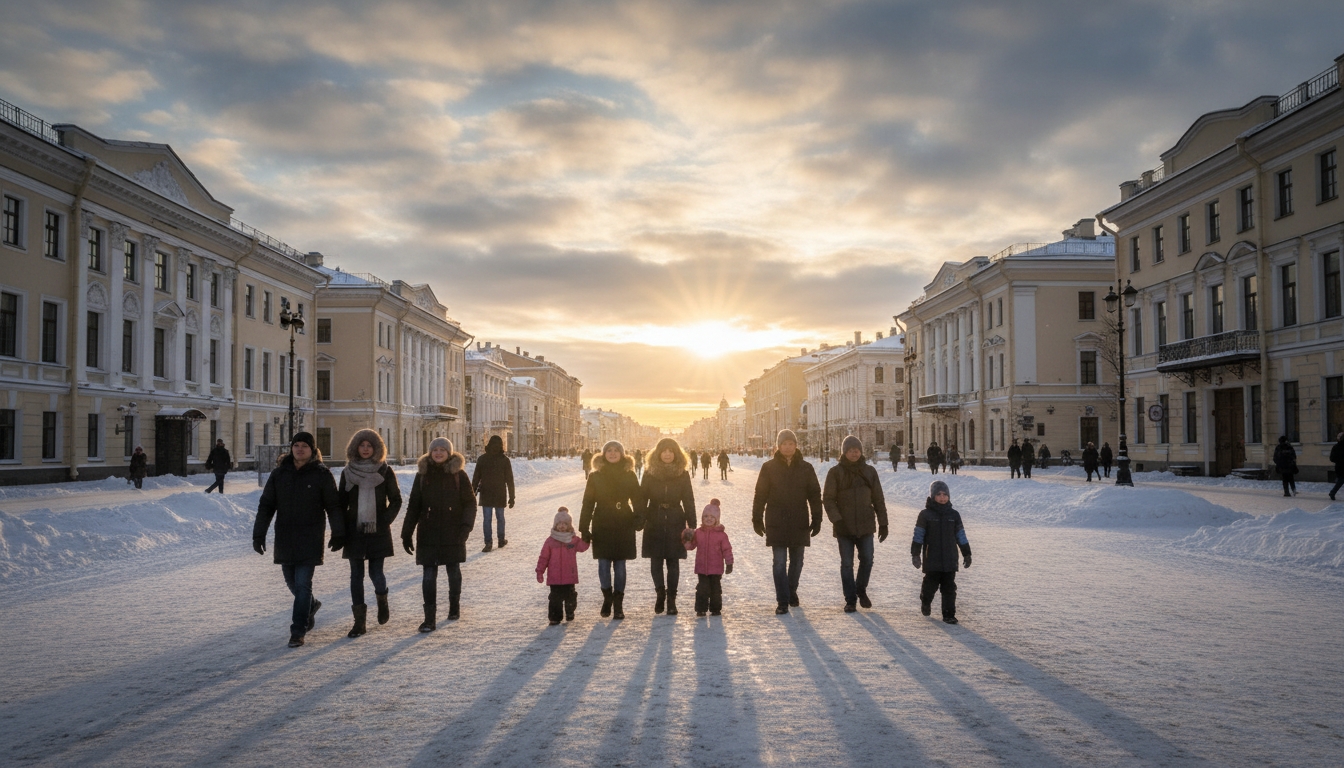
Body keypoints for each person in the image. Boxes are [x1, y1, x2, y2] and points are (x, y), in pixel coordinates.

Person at [253, 432, 343, 648]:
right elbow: (266, 505)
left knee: (303, 584)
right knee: (292, 583)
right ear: (291, 448)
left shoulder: (321, 474)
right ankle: (311, 605)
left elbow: (333, 506)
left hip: (310, 537)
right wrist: (259, 534)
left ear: (312, 450)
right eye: (296, 445)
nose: (300, 449)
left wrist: (338, 532)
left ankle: (298, 631)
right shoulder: (279, 474)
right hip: (285, 537)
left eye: (305, 446)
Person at [402, 437, 476, 632]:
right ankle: (429, 619)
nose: (439, 453)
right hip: (428, 531)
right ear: (430, 452)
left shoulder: (458, 474)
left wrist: (466, 527)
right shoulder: (422, 474)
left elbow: (470, 502)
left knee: (453, 571)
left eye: (443, 449)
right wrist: (406, 533)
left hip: (454, 531)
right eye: (435, 449)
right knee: (428, 575)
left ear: (449, 453)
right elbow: (414, 505)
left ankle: (454, 606)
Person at [337, 429, 403, 638]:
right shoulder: (347, 472)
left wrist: (384, 520)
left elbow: (396, 500)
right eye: (362, 445)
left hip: (378, 531)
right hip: (354, 531)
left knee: (376, 573)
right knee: (356, 575)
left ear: (376, 449)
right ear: (355, 447)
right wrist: (341, 528)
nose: (365, 449)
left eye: (369, 446)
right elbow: (340, 503)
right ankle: (359, 622)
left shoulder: (384, 471)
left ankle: (382, 600)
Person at [751, 429, 823, 615]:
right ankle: (782, 600)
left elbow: (815, 495)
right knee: (779, 562)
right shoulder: (769, 468)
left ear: (796, 445)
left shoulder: (806, 468)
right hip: (777, 520)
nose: (788, 447)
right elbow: (760, 495)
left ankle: (791, 590)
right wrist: (757, 518)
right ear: (779, 446)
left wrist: (817, 518)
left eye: (791, 443)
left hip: (799, 520)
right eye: (784, 444)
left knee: (797, 561)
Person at [822, 435, 888, 613]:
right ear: (844, 452)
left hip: (866, 525)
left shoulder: (869, 472)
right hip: (844, 526)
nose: (854, 453)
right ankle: (850, 599)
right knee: (847, 563)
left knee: (867, 559)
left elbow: (878, 498)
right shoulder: (835, 473)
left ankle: (861, 588)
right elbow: (828, 499)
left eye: (857, 450)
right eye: (851, 450)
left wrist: (883, 523)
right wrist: (837, 521)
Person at [580, 440, 642, 620]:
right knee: (603, 564)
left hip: (624, 522)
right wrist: (584, 526)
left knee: (621, 564)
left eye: (616, 450)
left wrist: (639, 518)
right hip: (602, 522)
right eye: (609, 450)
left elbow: (637, 498)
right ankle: (607, 598)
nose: (613, 453)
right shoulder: (595, 475)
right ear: (604, 454)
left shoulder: (629, 474)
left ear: (622, 454)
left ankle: (619, 604)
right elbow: (588, 502)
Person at [640, 437, 695, 616]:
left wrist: (692, 524)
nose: (667, 454)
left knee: (673, 561)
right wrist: (639, 519)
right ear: (658, 453)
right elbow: (642, 498)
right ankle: (660, 593)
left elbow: (688, 499)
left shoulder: (682, 473)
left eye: (671, 451)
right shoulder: (649, 473)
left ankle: (671, 599)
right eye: (664, 451)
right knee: (655, 561)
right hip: (654, 519)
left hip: (675, 519)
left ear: (676, 453)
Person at [911, 479, 972, 624]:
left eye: (945, 494)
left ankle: (948, 614)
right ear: (933, 496)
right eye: (939, 494)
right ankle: (925, 600)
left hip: (950, 559)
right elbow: (918, 535)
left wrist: (967, 553)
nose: (942, 497)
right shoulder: (925, 515)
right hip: (932, 558)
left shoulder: (954, 515)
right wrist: (915, 554)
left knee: (949, 588)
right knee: (930, 586)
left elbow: (960, 535)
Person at [536, 507, 590, 625]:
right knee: (555, 599)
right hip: (554, 577)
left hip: (569, 576)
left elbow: (583, 547)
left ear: (569, 525)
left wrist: (587, 537)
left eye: (565, 524)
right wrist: (540, 571)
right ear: (555, 525)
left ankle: (570, 611)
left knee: (570, 596)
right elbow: (544, 558)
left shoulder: (573, 540)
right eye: (559, 523)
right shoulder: (550, 541)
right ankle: (555, 617)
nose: (562, 526)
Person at [683, 499, 734, 617]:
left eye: (712, 517)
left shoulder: (721, 535)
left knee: (715, 590)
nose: (709, 519)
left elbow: (727, 549)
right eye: (706, 516)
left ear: (717, 519)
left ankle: (715, 609)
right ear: (702, 518)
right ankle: (701, 609)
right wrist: (686, 539)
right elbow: (691, 546)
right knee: (702, 589)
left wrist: (729, 563)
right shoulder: (698, 533)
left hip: (716, 569)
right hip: (702, 568)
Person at [472, 435, 516, 552]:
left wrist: (472, 493)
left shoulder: (482, 459)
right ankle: (501, 540)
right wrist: (512, 497)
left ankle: (488, 543)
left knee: (487, 519)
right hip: (500, 493)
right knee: (500, 517)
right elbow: (510, 480)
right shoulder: (505, 460)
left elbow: (476, 478)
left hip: (486, 493)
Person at [1331, 432, 1344, 501]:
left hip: (1339, 466)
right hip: (1340, 467)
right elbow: (1332, 458)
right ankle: (1332, 492)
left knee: (1340, 480)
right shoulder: (1337, 447)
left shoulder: (1336, 447)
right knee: (1341, 480)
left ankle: (1332, 492)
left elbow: (1332, 458)